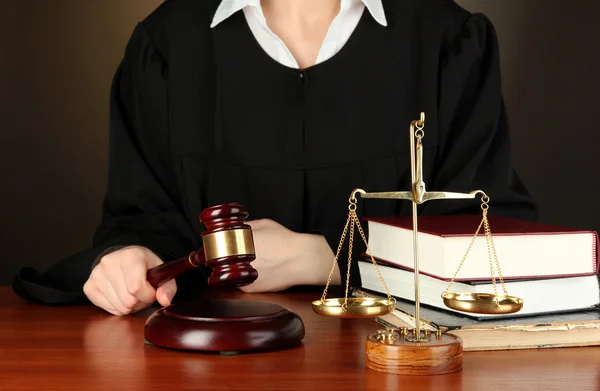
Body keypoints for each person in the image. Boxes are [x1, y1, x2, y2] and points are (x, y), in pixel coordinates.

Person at [12, 0, 537, 315]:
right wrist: (126, 259)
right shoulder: (167, 46)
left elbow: (493, 247)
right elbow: (138, 219)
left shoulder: (449, 43)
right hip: (205, 376)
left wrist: (329, 259)